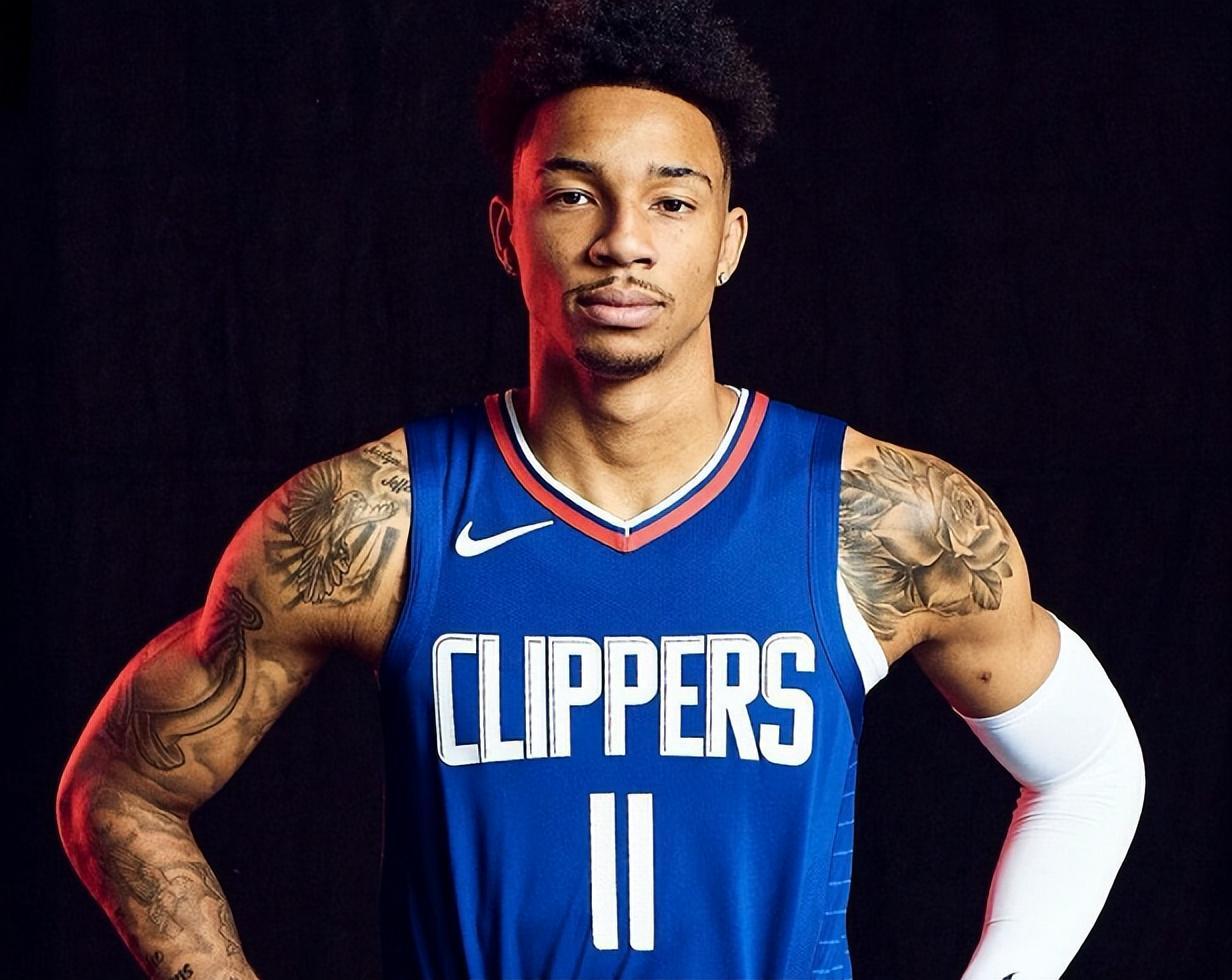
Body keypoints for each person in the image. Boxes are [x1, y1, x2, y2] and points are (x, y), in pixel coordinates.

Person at [56, 2, 1145, 977]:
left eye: (671, 202)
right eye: (575, 195)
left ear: (727, 243)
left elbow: (1089, 769)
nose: (623, 242)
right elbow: (121, 787)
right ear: (507, 230)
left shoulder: (882, 519)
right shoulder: (376, 519)